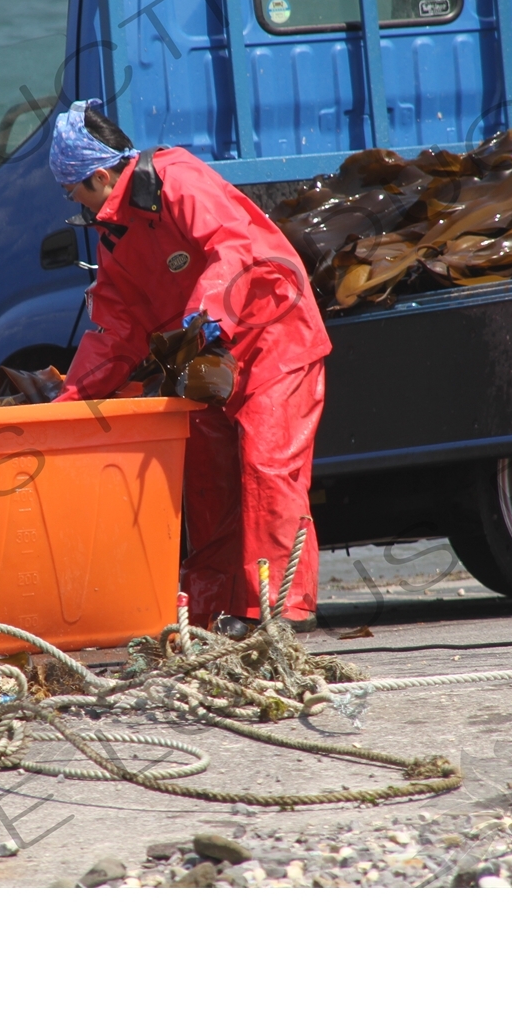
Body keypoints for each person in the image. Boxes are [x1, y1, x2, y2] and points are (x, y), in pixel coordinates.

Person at [48, 99, 331, 632]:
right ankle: (213, 612)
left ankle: (277, 611)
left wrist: (204, 318)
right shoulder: (117, 236)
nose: (77, 207)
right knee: (207, 478)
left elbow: (233, 249)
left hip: (275, 337)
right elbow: (117, 332)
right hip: (210, 362)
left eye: (75, 192)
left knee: (267, 464)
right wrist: (66, 405)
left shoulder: (177, 179)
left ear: (100, 175)